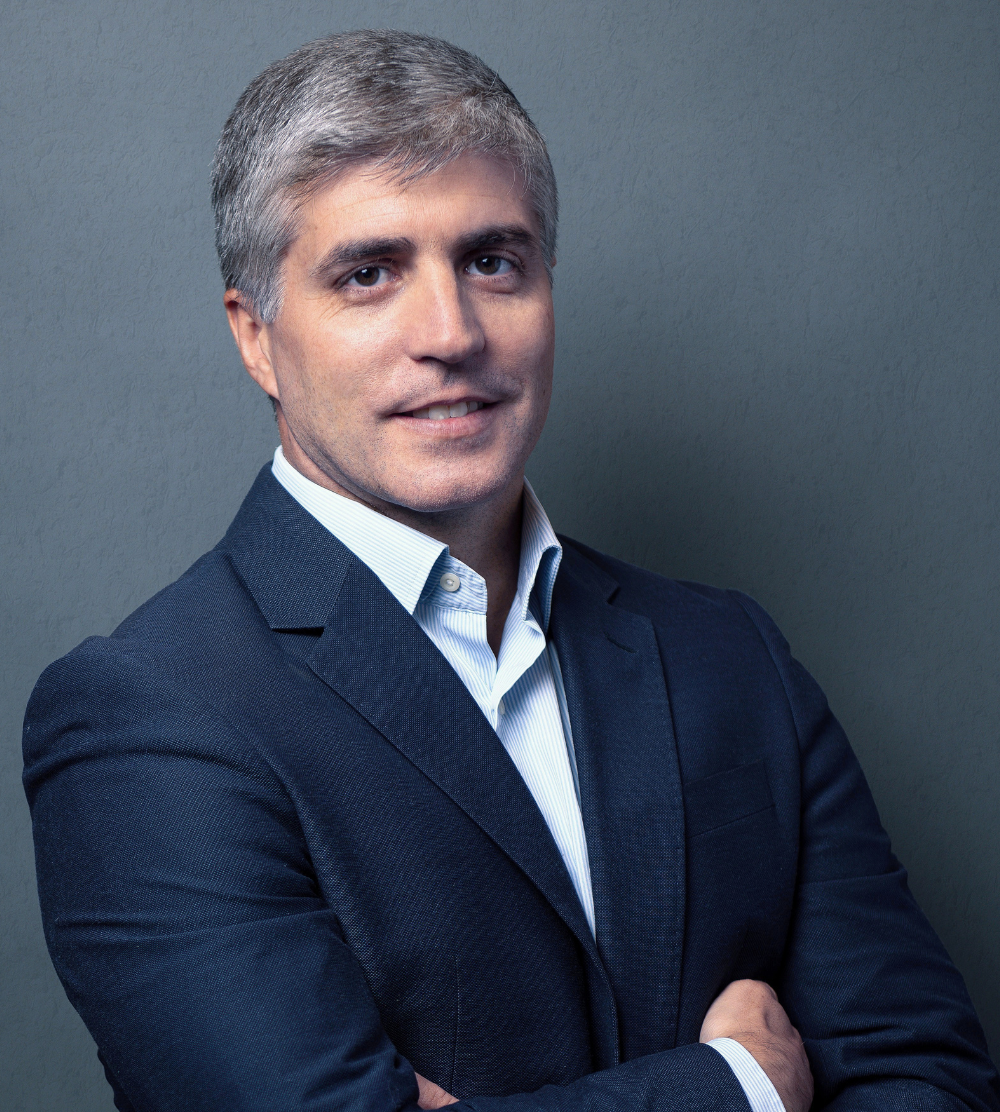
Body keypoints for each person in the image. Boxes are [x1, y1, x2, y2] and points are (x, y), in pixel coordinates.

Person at [22, 29, 999, 1112]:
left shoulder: (730, 656)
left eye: (492, 261)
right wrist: (739, 1086)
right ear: (257, 337)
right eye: (368, 274)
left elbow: (931, 1079)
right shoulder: (150, 716)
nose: (450, 333)